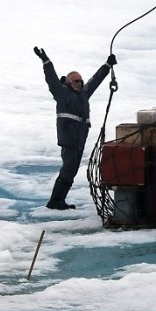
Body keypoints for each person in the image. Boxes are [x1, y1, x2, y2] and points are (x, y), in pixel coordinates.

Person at [34, 46, 116, 210]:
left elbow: (96, 80)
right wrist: (45, 60)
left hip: (79, 140)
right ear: (69, 82)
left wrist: (107, 65)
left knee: (71, 171)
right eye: (76, 81)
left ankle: (59, 200)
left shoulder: (84, 94)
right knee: (68, 169)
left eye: (81, 81)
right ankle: (54, 201)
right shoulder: (61, 93)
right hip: (69, 138)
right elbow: (51, 78)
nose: (80, 83)